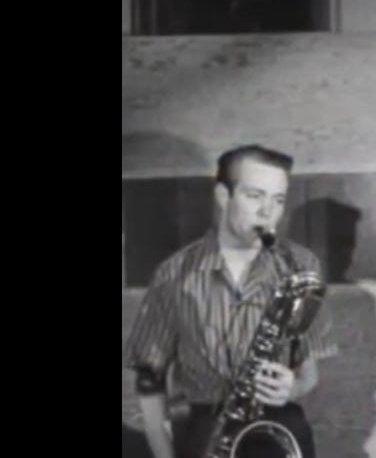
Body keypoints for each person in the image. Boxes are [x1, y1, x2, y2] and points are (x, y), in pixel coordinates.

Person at [124, 144, 338, 458]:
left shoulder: (301, 266)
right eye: (255, 196)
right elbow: (148, 378)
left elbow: (310, 375)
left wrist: (290, 388)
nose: (268, 212)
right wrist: (163, 452)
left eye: (278, 199)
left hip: (276, 425)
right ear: (224, 196)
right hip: (202, 427)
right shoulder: (174, 274)